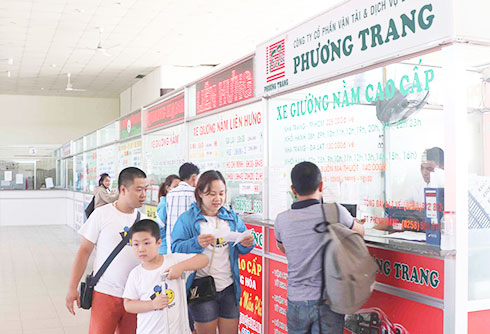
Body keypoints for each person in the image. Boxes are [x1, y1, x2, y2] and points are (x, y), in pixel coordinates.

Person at [274, 161, 365, 334]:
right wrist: (352, 224)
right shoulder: (335, 211)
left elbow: (283, 247)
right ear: (321, 185)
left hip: (296, 301)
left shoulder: (281, 220)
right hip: (328, 301)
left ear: (293, 190)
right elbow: (359, 233)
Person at [65, 167, 148, 334]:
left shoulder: (145, 221)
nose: (144, 195)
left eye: (146, 189)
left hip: (135, 296)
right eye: (139, 190)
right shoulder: (101, 214)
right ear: (123, 189)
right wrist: (72, 288)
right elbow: (84, 251)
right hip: (105, 294)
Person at [171, 170, 254, 334]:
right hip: (202, 287)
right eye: (212, 194)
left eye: (221, 193)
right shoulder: (187, 219)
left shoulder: (231, 218)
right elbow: (176, 248)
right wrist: (196, 243)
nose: (218, 199)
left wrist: (247, 243)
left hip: (229, 287)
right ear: (200, 193)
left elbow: (244, 246)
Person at [123, 219, 208, 334]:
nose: (141, 249)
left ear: (158, 243)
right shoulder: (136, 274)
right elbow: (128, 305)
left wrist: (181, 267)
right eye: (136, 244)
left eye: (146, 243)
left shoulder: (173, 260)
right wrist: (152, 304)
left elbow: (203, 259)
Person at [165, 162, 200, 254]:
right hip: (189, 244)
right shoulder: (195, 193)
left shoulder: (170, 194)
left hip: (172, 244)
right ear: (194, 177)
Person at [156, 174, 181, 254]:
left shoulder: (172, 204)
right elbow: (159, 228)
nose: (178, 190)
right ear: (168, 188)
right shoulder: (164, 205)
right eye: (175, 187)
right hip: (164, 249)